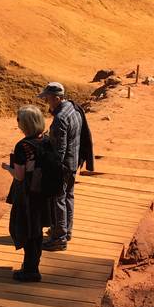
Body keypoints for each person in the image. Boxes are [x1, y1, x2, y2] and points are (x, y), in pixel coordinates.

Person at [38, 82, 94, 251]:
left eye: (47, 98)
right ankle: (66, 231)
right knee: (68, 196)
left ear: (56, 98)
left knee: (58, 200)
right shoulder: (72, 107)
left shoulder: (60, 119)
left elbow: (60, 150)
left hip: (63, 166)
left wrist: (51, 168)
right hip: (74, 160)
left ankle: (59, 238)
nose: (46, 101)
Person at [2, 105, 50, 282]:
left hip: (28, 195)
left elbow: (20, 176)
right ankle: (32, 265)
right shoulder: (46, 140)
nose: (18, 123)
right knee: (36, 231)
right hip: (43, 193)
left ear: (25, 123)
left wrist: (8, 168)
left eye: (19, 120)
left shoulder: (23, 146)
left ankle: (31, 271)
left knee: (25, 230)